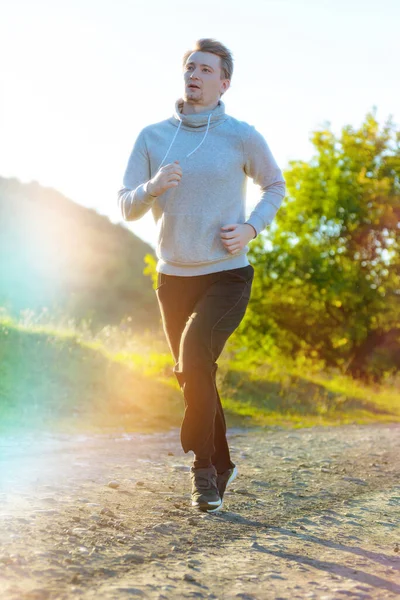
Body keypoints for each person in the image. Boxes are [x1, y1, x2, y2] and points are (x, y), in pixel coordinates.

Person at [117, 38, 286, 513]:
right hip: (174, 278)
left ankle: (202, 473)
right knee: (195, 376)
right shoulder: (152, 137)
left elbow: (275, 184)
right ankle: (222, 461)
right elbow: (127, 206)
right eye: (190, 66)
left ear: (224, 82)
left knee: (193, 358)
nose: (195, 74)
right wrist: (153, 187)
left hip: (227, 275)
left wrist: (252, 227)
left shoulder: (241, 135)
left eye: (206, 69)